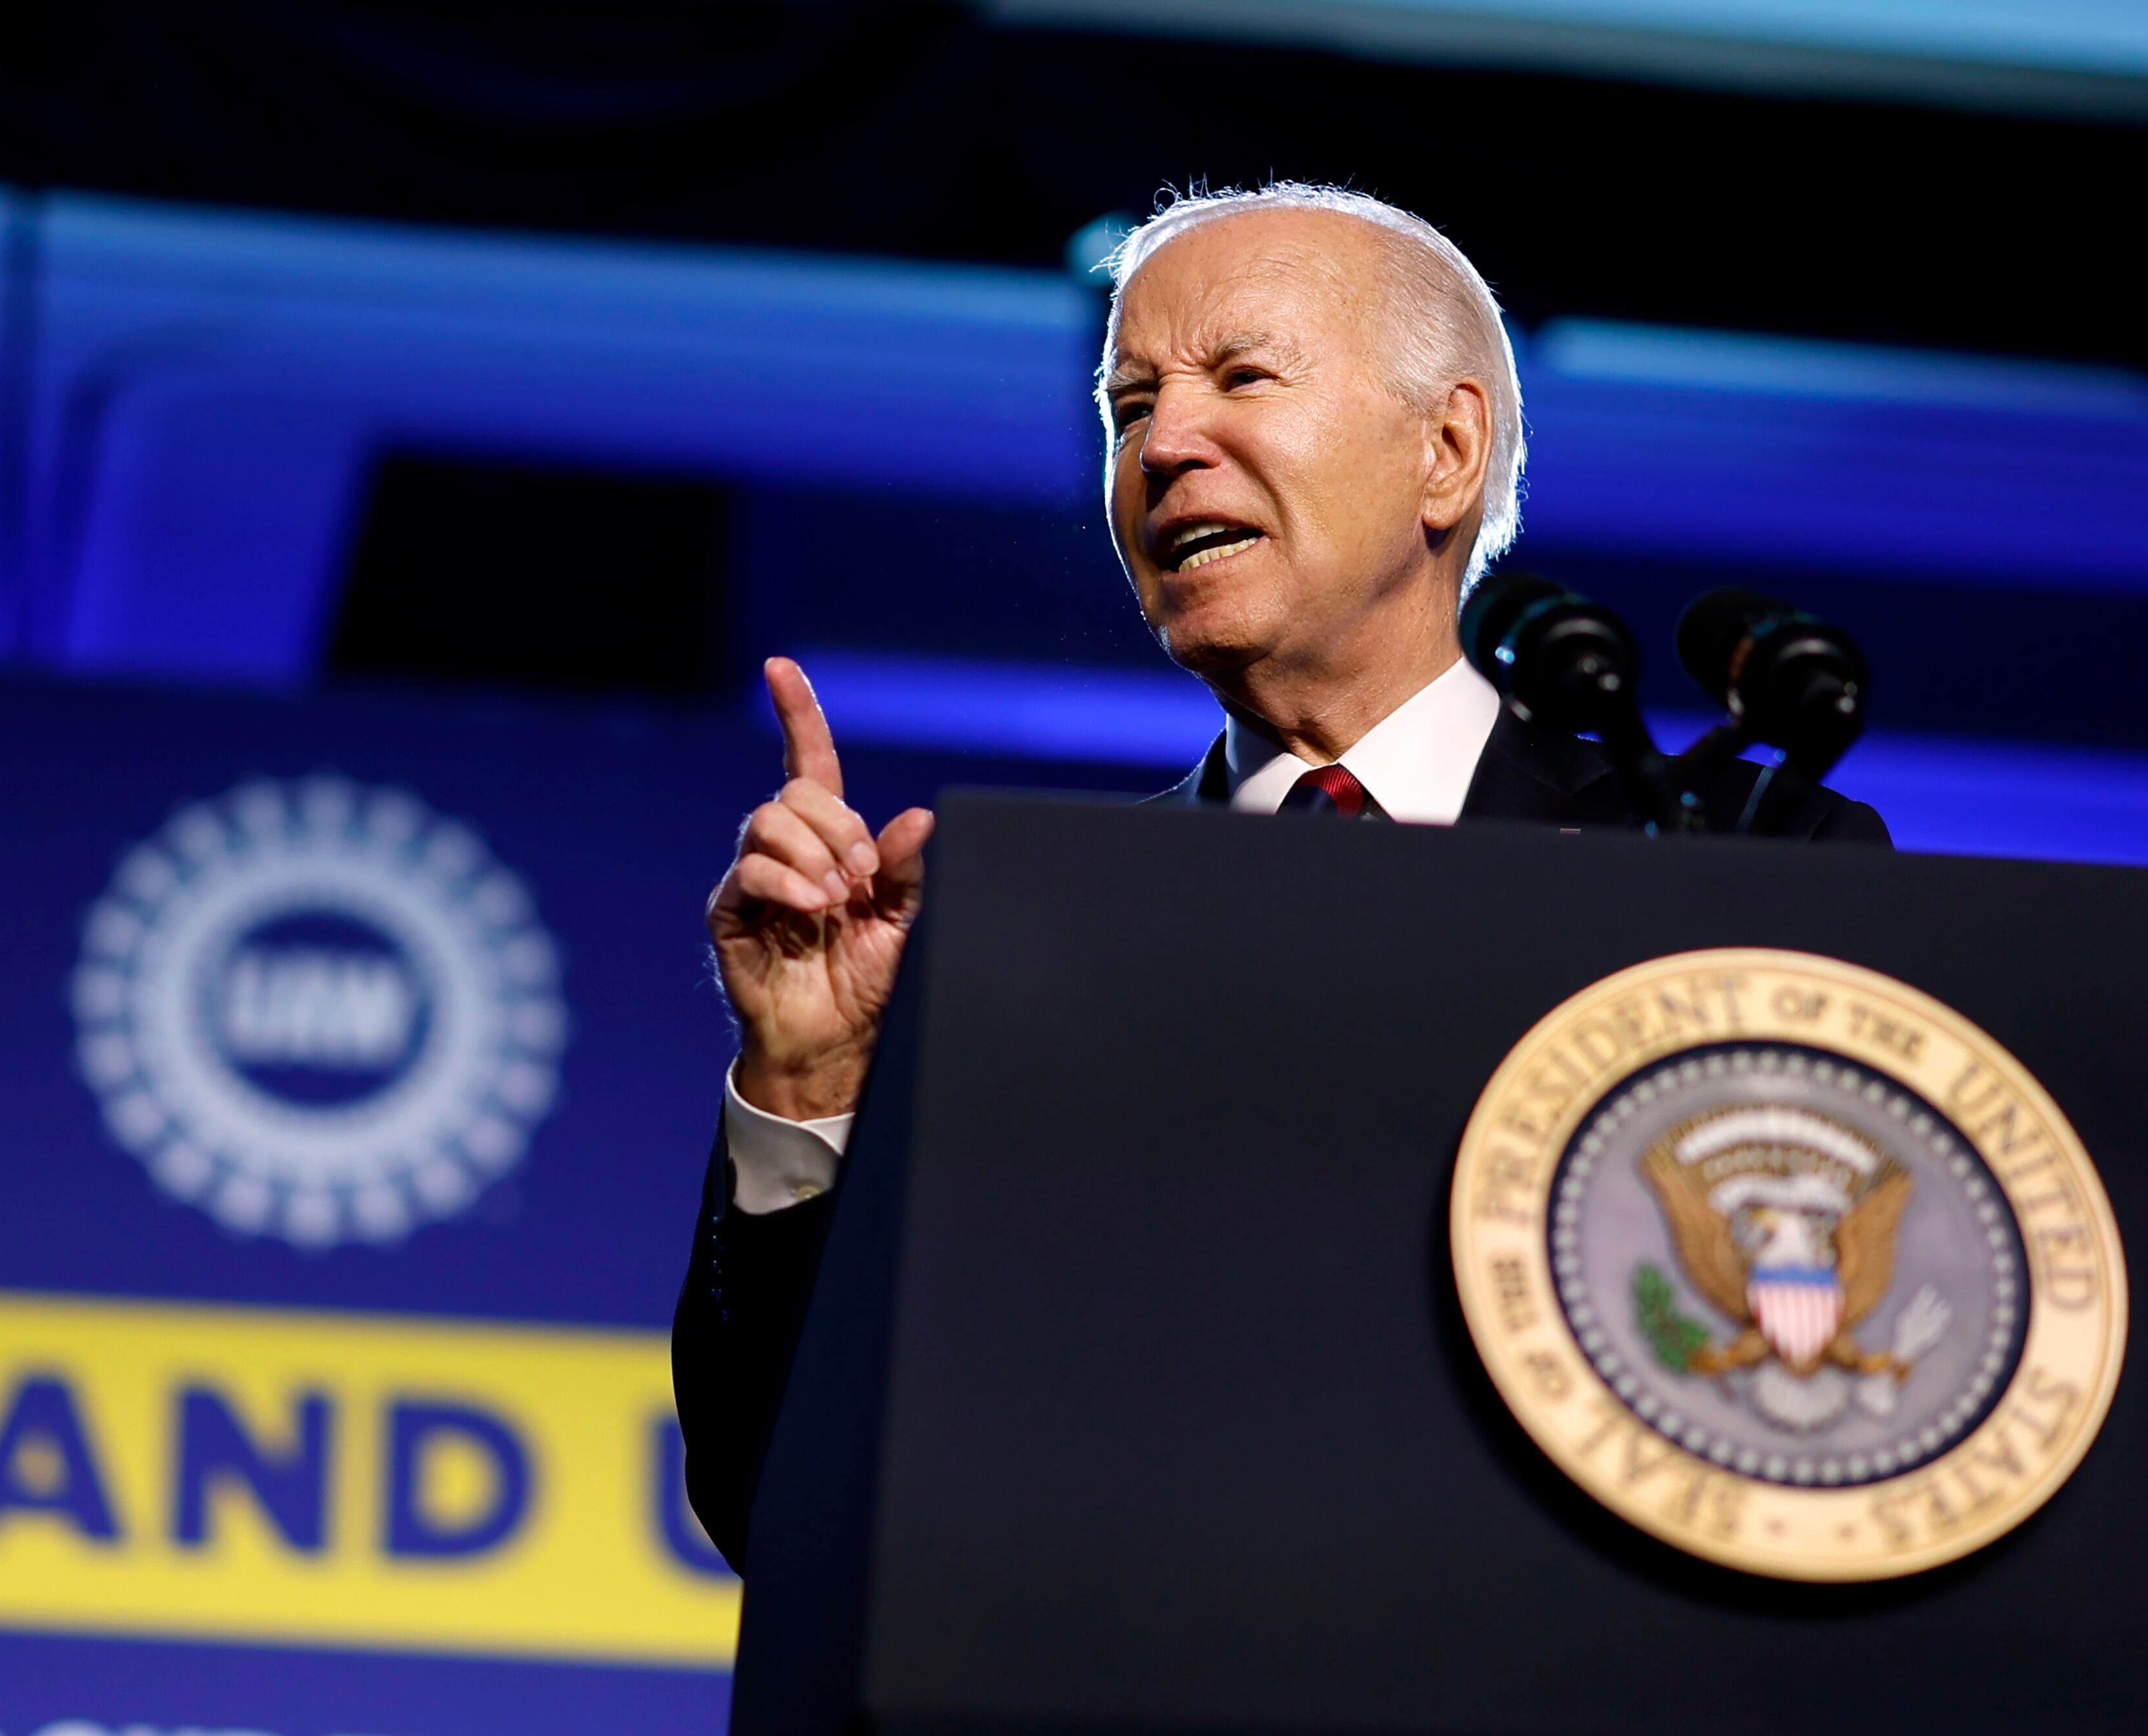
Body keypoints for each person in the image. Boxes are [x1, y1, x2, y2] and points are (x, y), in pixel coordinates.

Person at [672, 183, 1887, 1571]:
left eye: (1241, 377)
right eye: (1129, 408)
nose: (1162, 446)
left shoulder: (1740, 863)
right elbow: (784, 1500)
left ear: (1445, 450)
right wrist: (809, 1088)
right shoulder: (1029, 938)